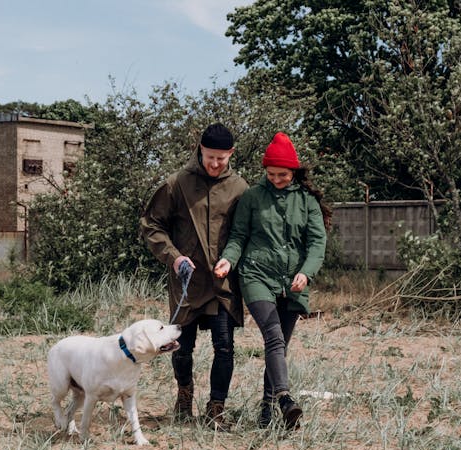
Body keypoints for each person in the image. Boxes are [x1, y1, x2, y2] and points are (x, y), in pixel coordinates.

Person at [214, 132, 329, 429]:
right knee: (274, 337)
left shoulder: (307, 201)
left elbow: (317, 243)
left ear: (294, 172)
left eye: (282, 174)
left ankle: (268, 409)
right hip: (256, 275)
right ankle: (286, 400)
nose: (276, 179)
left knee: (278, 347)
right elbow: (238, 236)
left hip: (294, 282)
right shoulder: (252, 197)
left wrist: (306, 271)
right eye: (271, 173)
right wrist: (229, 259)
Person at [140, 123, 248, 431]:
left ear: (231, 154)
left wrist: (233, 259)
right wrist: (174, 259)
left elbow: (245, 232)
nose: (215, 164)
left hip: (222, 283)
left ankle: (216, 409)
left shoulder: (240, 188)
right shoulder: (177, 183)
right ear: (200, 150)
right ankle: (184, 397)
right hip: (187, 282)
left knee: (225, 347)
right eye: (210, 157)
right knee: (182, 347)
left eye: (222, 159)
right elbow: (151, 225)